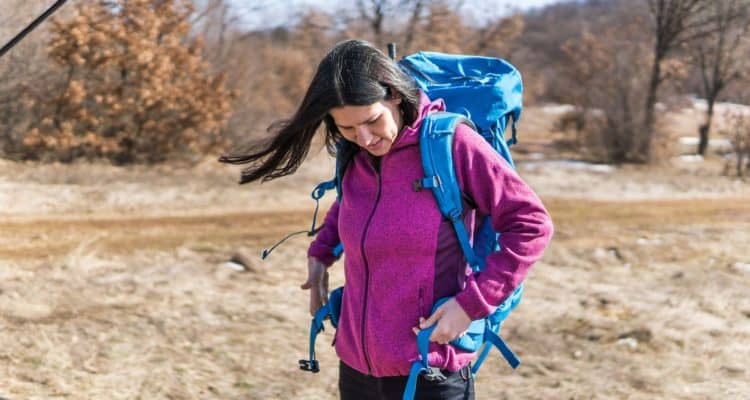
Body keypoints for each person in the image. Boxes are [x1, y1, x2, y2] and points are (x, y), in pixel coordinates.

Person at [220, 39, 553, 400]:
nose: (364, 138)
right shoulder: (356, 155)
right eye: (346, 129)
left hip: (427, 369)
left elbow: (531, 222)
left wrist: (471, 305)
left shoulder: (452, 144)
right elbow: (351, 205)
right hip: (357, 370)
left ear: (394, 95)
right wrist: (319, 255)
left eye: (371, 121)